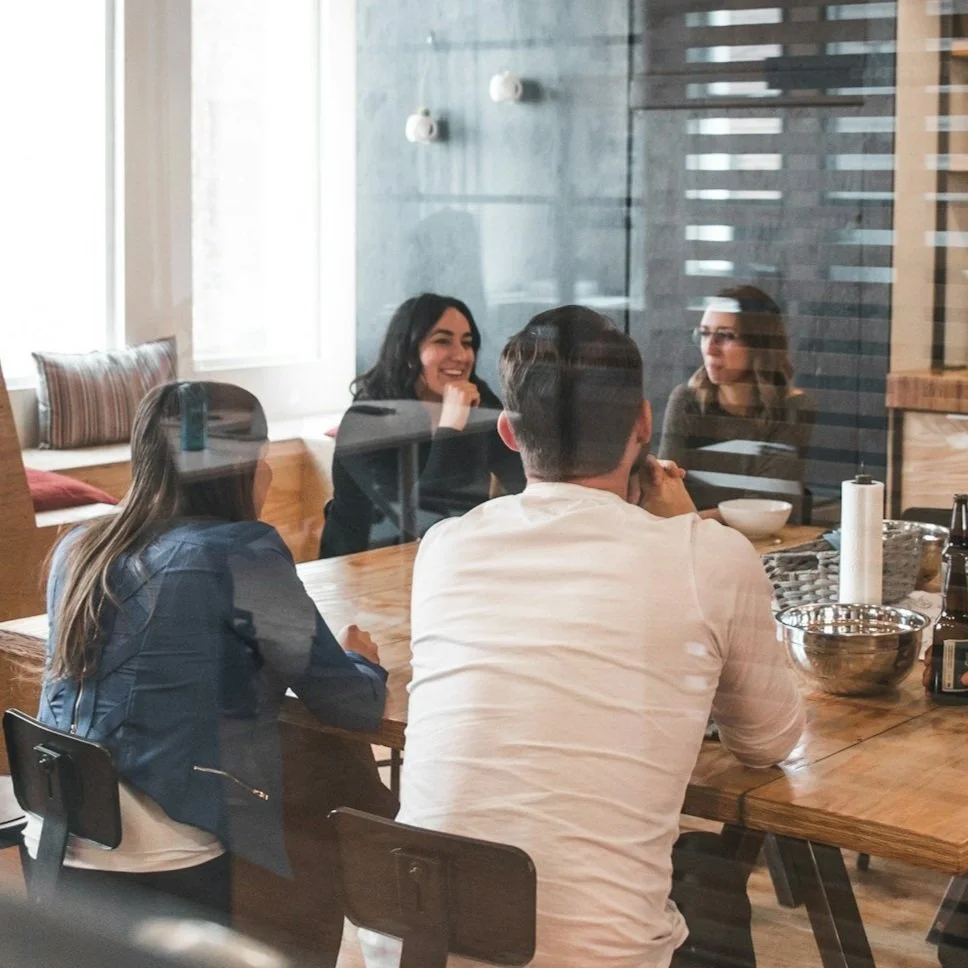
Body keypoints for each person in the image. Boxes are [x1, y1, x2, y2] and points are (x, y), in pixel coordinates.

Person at [359, 306, 805, 968]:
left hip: (411, 948)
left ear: (507, 433)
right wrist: (688, 527)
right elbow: (768, 742)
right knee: (711, 902)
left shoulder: (445, 548)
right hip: (598, 957)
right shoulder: (708, 556)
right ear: (645, 425)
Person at [22, 381, 396, 945]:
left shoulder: (80, 549)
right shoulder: (240, 554)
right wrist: (361, 660)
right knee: (327, 791)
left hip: (52, 842)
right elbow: (350, 703)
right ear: (243, 467)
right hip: (162, 860)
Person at [320, 293, 526, 557]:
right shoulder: (365, 421)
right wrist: (452, 427)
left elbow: (525, 480)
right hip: (363, 569)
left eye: (468, 343)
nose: (461, 355)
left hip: (450, 558)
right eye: (442, 341)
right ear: (408, 353)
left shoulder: (479, 401)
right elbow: (424, 520)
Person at [658, 285, 815, 522]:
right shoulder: (687, 400)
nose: (710, 348)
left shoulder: (792, 407)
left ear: (759, 344)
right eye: (704, 333)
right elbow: (664, 492)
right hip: (695, 542)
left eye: (726, 336)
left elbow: (768, 506)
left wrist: (690, 520)